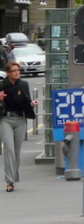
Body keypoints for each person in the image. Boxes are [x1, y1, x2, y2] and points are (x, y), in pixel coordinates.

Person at [1, 62, 39, 192]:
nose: (17, 73)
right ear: (8, 73)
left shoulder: (23, 84)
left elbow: (26, 101)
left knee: (16, 151)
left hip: (20, 119)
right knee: (9, 149)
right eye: (13, 71)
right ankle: (9, 182)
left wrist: (32, 104)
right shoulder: (2, 85)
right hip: (5, 119)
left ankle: (13, 178)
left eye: (18, 70)